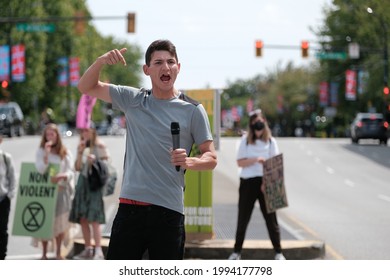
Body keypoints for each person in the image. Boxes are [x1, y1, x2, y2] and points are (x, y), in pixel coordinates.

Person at [77, 39, 217, 260]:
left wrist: (190, 162)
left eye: (171, 62)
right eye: (158, 62)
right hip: (130, 208)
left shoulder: (193, 110)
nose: (166, 67)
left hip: (169, 212)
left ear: (178, 68)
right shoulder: (133, 99)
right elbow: (85, 87)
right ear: (147, 69)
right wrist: (101, 62)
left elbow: (211, 157)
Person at [228, 109, 286, 260]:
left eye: (260, 122)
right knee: (243, 217)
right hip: (248, 182)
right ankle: (237, 252)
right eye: (255, 124)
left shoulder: (271, 141)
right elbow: (239, 162)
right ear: (251, 126)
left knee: (271, 219)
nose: (258, 126)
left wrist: (266, 183)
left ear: (264, 123)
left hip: (265, 183)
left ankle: (278, 252)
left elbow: (275, 164)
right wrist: (256, 160)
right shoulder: (245, 140)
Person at [34, 123, 75, 260]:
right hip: (46, 191)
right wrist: (46, 155)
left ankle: (58, 252)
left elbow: (71, 171)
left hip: (61, 190)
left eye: (52, 134)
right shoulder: (40, 151)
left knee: (60, 222)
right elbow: (40, 169)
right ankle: (44, 253)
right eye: (47, 134)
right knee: (46, 221)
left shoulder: (65, 152)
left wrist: (63, 176)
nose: (50, 136)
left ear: (57, 135)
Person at [69, 126, 109, 260]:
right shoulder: (82, 146)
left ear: (92, 131)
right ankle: (88, 249)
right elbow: (78, 167)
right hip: (83, 185)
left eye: (86, 130)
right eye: (82, 131)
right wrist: (80, 152)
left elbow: (106, 167)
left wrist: (96, 161)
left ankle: (98, 251)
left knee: (94, 219)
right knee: (83, 218)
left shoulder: (100, 145)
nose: (84, 133)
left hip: (94, 186)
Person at [0, 135, 16, 260]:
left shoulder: (5, 158)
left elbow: (12, 177)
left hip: (3, 198)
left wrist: (9, 195)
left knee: (2, 229)